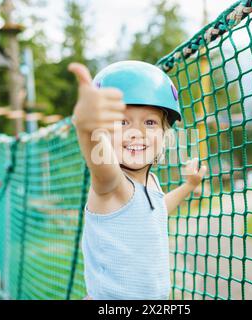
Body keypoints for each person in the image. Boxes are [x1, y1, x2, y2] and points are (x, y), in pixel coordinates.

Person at [68, 60, 207, 300]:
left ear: (164, 136)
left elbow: (157, 209)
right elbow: (101, 166)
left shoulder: (150, 181)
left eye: (150, 122)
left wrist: (189, 186)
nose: (137, 132)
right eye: (122, 122)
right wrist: (87, 128)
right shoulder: (112, 185)